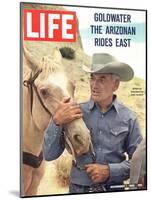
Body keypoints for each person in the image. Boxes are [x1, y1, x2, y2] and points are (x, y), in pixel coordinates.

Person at [43, 53, 143, 193]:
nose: (94, 85)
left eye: (102, 79)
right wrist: (56, 121)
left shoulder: (129, 118)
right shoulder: (74, 113)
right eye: (92, 78)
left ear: (116, 84)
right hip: (77, 190)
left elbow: (140, 163)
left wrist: (110, 171)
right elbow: (49, 155)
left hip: (113, 190)